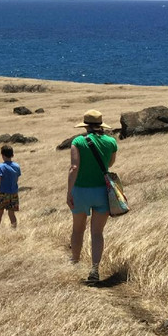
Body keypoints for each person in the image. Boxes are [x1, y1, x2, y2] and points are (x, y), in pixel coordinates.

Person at [67, 109, 118, 283]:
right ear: (101, 125)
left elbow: (74, 167)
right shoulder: (111, 141)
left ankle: (74, 261)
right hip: (102, 192)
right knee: (97, 233)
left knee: (78, 229)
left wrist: (69, 192)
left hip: (80, 190)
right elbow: (110, 163)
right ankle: (95, 269)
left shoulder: (78, 141)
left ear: (86, 126)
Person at [0, 144, 21, 228]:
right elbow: (16, 178)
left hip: (4, 193)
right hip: (14, 193)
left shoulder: (0, 166)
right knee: (11, 213)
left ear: (2, 155)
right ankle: (14, 229)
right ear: (12, 154)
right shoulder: (16, 166)